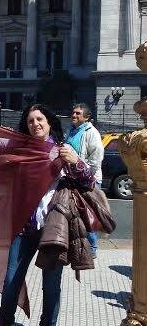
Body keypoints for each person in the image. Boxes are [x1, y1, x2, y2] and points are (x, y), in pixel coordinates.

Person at [0, 104, 96, 326]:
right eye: (31, 121)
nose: (35, 124)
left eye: (40, 119)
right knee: (12, 278)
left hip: (54, 229)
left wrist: (76, 162)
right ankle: (5, 322)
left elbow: (89, 182)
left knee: (51, 284)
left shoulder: (62, 151)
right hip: (24, 227)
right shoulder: (21, 153)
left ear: (50, 123)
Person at [65, 103, 104, 258]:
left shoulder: (91, 132)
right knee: (75, 214)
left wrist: (86, 175)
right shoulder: (71, 130)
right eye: (73, 113)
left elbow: (96, 158)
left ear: (86, 117)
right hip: (72, 179)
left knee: (89, 215)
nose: (73, 115)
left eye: (78, 113)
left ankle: (92, 248)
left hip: (88, 180)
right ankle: (78, 246)